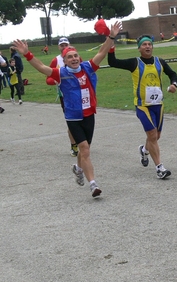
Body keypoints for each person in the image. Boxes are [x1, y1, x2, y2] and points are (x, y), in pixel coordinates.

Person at [12, 20, 122, 198]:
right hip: (73, 117)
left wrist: (111, 36)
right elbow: (41, 67)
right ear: (64, 61)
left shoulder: (88, 67)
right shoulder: (60, 73)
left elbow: (102, 52)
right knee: (84, 149)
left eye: (76, 55)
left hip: (89, 114)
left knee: (84, 149)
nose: (74, 59)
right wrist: (27, 54)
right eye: (69, 57)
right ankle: (93, 185)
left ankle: (78, 169)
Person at [107, 34, 177, 179]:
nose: (147, 47)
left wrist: (174, 84)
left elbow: (173, 74)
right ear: (139, 48)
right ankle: (160, 168)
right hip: (142, 106)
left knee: (156, 136)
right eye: (144, 45)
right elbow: (113, 62)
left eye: (149, 44)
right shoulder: (134, 63)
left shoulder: (160, 62)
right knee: (152, 134)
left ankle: (144, 150)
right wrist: (111, 44)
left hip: (158, 105)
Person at [46, 37, 80, 157]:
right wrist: (56, 80)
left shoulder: (76, 58)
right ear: (59, 47)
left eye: (66, 44)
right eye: (62, 45)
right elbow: (48, 79)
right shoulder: (56, 60)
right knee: (72, 121)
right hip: (65, 96)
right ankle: (74, 144)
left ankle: (83, 142)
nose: (64, 47)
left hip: (80, 94)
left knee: (83, 119)